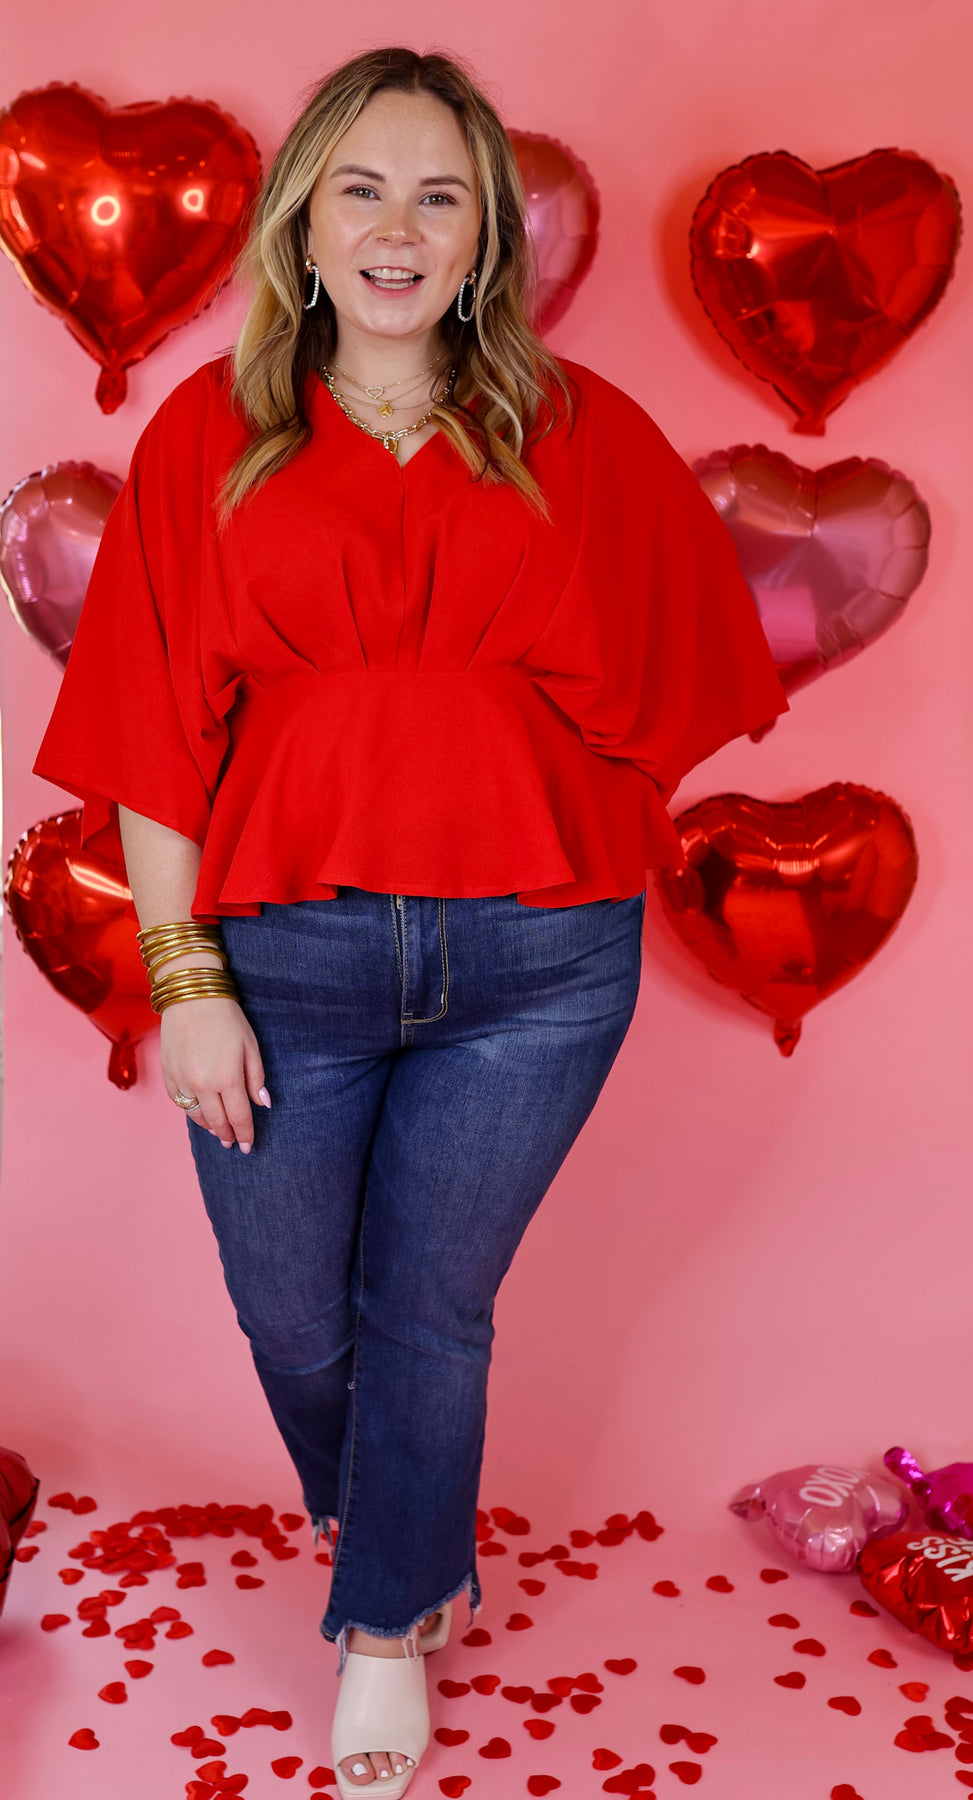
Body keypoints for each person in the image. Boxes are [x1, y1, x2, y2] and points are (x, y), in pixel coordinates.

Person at [32, 44, 788, 1799]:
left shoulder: (581, 429)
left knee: (429, 1307)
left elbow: (677, 669)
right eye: (361, 190)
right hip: (282, 953)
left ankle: (382, 1629)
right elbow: (149, 732)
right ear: (304, 226)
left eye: (440, 197)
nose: (398, 228)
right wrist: (183, 976)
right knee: (292, 1314)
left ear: (484, 237)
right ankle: (409, 1532)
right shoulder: (205, 436)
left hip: (538, 959)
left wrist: (531, 767)